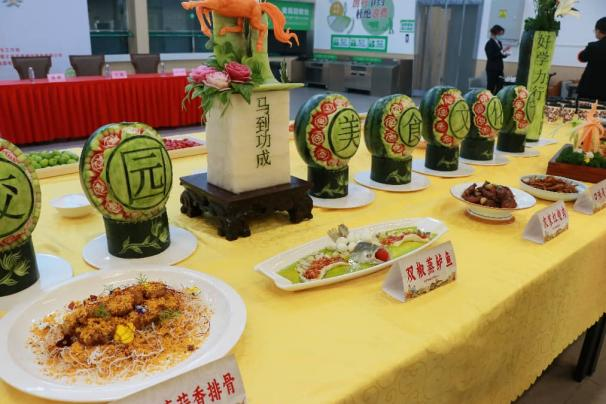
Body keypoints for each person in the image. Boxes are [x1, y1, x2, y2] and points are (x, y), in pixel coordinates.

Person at [577, 17, 606, 102]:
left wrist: (588, 48)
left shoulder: (593, 46)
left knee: (584, 109)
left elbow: (581, 58)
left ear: (598, 30)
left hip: (589, 90)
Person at [485, 25, 511, 95]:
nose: (501, 35)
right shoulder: (489, 43)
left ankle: (496, 98)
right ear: (496, 32)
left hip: (499, 68)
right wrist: (503, 51)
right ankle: (489, 99)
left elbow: (500, 55)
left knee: (500, 85)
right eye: (500, 34)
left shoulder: (499, 42)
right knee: (491, 86)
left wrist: (505, 54)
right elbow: (491, 56)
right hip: (492, 69)